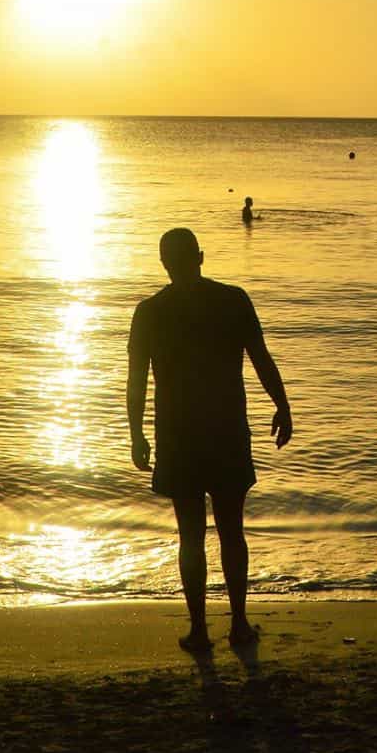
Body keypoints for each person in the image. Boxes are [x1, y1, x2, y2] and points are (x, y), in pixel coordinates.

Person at [127, 227, 292, 651]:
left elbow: (136, 380)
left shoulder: (149, 312)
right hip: (226, 431)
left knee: (191, 536)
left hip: (178, 435)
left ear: (164, 263)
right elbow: (261, 358)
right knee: (232, 531)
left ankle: (200, 630)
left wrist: (136, 433)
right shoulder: (232, 301)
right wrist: (282, 406)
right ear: (200, 257)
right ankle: (239, 624)